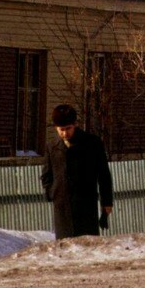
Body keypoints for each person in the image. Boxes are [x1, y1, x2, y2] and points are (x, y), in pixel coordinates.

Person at [41, 103, 114, 240]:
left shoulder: (92, 143)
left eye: (68, 128)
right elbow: (46, 174)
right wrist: (52, 193)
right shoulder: (52, 147)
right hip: (62, 206)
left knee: (87, 247)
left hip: (86, 204)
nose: (64, 133)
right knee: (65, 248)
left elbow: (103, 174)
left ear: (75, 124)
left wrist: (107, 202)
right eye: (61, 129)